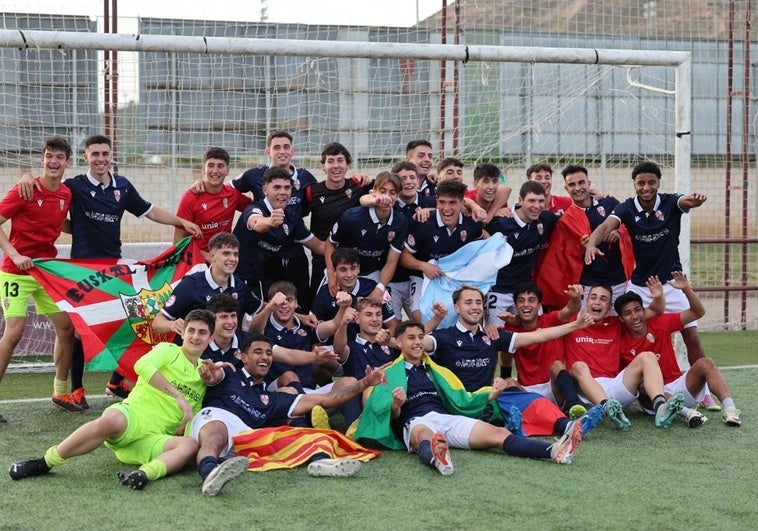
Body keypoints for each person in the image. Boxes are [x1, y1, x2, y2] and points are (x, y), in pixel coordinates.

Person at [18, 134, 203, 407]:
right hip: (83, 271)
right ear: (86, 158)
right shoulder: (74, 187)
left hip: (113, 269)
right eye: (95, 154)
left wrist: (181, 222)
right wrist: (25, 175)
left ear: (110, 156)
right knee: (81, 328)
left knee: (135, 320)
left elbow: (149, 211)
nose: (100, 159)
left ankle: (117, 381)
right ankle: (76, 389)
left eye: (105, 154)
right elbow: (49, 195)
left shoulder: (123, 187)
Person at [9, 309, 218, 490]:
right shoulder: (168, 351)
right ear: (183, 332)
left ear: (210, 338)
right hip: (130, 419)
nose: (195, 337)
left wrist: (185, 425)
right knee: (109, 420)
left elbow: (194, 413)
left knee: (189, 446)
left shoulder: (203, 375)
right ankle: (45, 463)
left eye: (202, 332)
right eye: (191, 330)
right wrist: (178, 395)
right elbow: (141, 367)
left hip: (150, 441)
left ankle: (142, 475)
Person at [355, 321, 584, 475]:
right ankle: (438, 458)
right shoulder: (389, 373)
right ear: (399, 343)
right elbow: (388, 415)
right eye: (411, 338)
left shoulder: (438, 370)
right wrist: (396, 404)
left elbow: (462, 399)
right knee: (423, 435)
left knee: (498, 434)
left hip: (446, 418)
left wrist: (490, 393)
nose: (417, 342)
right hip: (414, 420)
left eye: (420, 337)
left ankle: (554, 451)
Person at [583, 161, 717, 409]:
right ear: (634, 184)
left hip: (673, 283)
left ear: (658, 183)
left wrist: (694, 200)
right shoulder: (625, 208)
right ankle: (633, 391)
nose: (646, 187)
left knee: (692, 338)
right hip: (642, 289)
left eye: (651, 182)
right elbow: (605, 227)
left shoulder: (669, 202)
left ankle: (705, 392)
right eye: (641, 183)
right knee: (629, 335)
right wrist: (592, 243)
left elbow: (684, 201)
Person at [190, 333, 388, 495]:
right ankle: (210, 474)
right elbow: (214, 375)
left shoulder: (270, 398)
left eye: (268, 353)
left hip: (245, 436)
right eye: (258, 352)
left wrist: (364, 383)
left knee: (310, 434)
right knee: (216, 435)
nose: (265, 357)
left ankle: (320, 461)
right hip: (216, 416)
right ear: (244, 357)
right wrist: (210, 373)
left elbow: (324, 399)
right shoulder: (230, 373)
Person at [0, 136, 75, 420]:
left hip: (46, 271)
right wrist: (15, 254)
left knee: (66, 329)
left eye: (59, 157)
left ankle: (60, 393)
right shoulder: (25, 188)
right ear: (42, 159)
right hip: (15, 271)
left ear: (67, 162)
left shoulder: (66, 194)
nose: (53, 162)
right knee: (14, 333)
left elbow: (59, 221)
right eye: (49, 156)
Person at [615, 272, 741, 427]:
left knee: (706, 363)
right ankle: (687, 413)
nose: (635, 316)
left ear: (644, 310)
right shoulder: (621, 343)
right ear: (621, 318)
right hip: (653, 399)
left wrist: (686, 289)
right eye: (628, 313)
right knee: (641, 384)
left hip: (679, 386)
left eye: (637, 310)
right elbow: (625, 382)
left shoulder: (659, 323)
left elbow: (698, 312)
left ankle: (730, 410)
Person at [422, 286, 594, 393]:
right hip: (454, 404)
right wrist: (436, 319)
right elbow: (412, 341)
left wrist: (576, 325)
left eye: (478, 303)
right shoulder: (443, 337)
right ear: (457, 307)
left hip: (487, 402)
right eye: (468, 303)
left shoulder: (492, 336)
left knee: (533, 405)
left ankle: (568, 424)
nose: (474, 307)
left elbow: (539, 335)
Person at [564, 284, 684, 430]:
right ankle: (606, 407)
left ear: (609, 307)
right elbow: (567, 311)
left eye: (603, 299)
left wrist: (659, 295)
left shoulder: (617, 323)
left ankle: (660, 407)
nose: (597, 302)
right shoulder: (571, 323)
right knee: (579, 366)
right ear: (587, 301)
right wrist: (575, 298)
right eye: (593, 297)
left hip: (614, 388)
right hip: (584, 392)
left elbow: (655, 310)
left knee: (647, 356)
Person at [536, 164, 633, 311]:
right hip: (588, 283)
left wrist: (619, 232)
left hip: (618, 280)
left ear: (589, 184)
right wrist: (580, 249)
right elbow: (563, 258)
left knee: (619, 326)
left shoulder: (609, 202)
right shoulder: (565, 221)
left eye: (581, 182)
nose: (577, 188)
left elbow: (629, 225)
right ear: (566, 189)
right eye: (572, 184)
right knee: (587, 327)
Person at [233, 166, 325, 302]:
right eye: (277, 187)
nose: (283, 192)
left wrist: (341, 246)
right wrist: (270, 221)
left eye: (287, 188)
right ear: (265, 190)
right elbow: (257, 223)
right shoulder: (255, 209)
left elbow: (319, 246)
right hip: (239, 279)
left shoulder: (291, 218)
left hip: (263, 280)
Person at [400, 180, 484, 323]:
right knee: (420, 316)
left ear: (462, 203)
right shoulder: (423, 223)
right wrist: (424, 266)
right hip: (423, 276)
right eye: (442, 202)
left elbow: (481, 244)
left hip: (454, 277)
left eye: (452, 203)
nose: (446, 208)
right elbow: (404, 257)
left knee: (468, 314)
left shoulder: (472, 223)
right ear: (436, 202)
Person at [152, 232, 262, 337]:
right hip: (197, 351)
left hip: (230, 352)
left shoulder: (240, 286)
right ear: (212, 256)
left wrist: (274, 304)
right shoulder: (191, 284)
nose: (232, 259)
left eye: (235, 254)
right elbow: (157, 323)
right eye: (226, 253)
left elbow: (259, 309)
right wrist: (172, 325)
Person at [302, 142, 373, 300]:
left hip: (352, 263)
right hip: (323, 262)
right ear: (323, 166)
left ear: (347, 165)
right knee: (319, 309)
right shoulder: (311, 192)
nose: (336, 166)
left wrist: (430, 179)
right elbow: (295, 219)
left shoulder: (358, 185)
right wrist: (310, 241)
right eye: (330, 161)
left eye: (340, 160)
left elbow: (388, 186)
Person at [325, 171, 409, 302]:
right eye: (382, 191)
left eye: (392, 193)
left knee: (378, 315)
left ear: (398, 196)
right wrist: (331, 274)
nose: (387, 196)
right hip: (342, 272)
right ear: (374, 191)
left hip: (372, 274)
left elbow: (392, 261)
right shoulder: (352, 216)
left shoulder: (401, 221)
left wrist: (380, 287)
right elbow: (330, 243)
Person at [174, 147, 251, 262]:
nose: (215, 171)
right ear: (203, 169)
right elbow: (177, 241)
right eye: (210, 166)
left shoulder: (233, 195)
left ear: (227, 170)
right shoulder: (190, 197)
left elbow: (255, 209)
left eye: (220, 166)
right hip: (195, 261)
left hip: (223, 261)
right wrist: (208, 258)